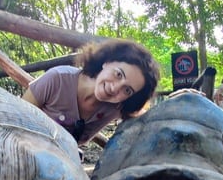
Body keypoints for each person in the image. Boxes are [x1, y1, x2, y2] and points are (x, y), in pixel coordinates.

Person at [22, 40, 160, 145]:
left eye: (127, 90)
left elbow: (151, 119)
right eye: (118, 74)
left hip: (63, 166)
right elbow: (16, 118)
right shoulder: (57, 79)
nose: (114, 88)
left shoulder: (116, 108)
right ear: (107, 62)